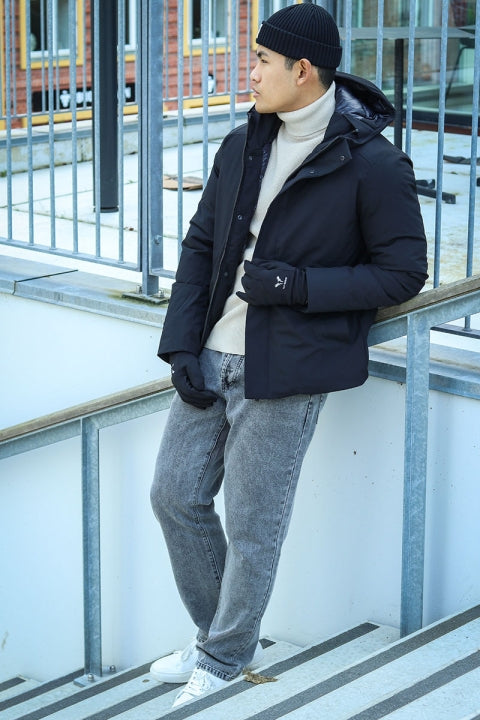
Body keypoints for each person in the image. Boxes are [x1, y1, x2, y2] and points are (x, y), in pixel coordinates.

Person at [150, 2, 428, 708]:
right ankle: (221, 639)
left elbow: (403, 274)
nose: (249, 73)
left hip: (287, 368)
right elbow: (202, 245)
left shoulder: (373, 164)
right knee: (174, 495)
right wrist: (181, 344)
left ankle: (222, 659)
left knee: (253, 524)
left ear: (303, 70)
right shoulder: (244, 142)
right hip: (212, 353)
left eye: (262, 61)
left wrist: (298, 286)